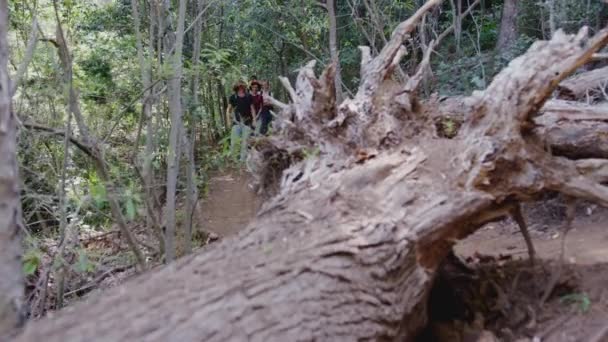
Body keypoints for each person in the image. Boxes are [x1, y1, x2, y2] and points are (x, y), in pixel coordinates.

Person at [226, 81, 256, 162]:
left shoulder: (249, 96)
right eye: (239, 87)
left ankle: (242, 160)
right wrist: (228, 121)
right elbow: (228, 110)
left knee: (245, 142)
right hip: (236, 123)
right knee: (234, 142)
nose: (241, 88)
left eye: (242, 86)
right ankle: (234, 159)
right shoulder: (233, 97)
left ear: (244, 87)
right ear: (236, 88)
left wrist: (254, 120)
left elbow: (252, 109)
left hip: (247, 122)